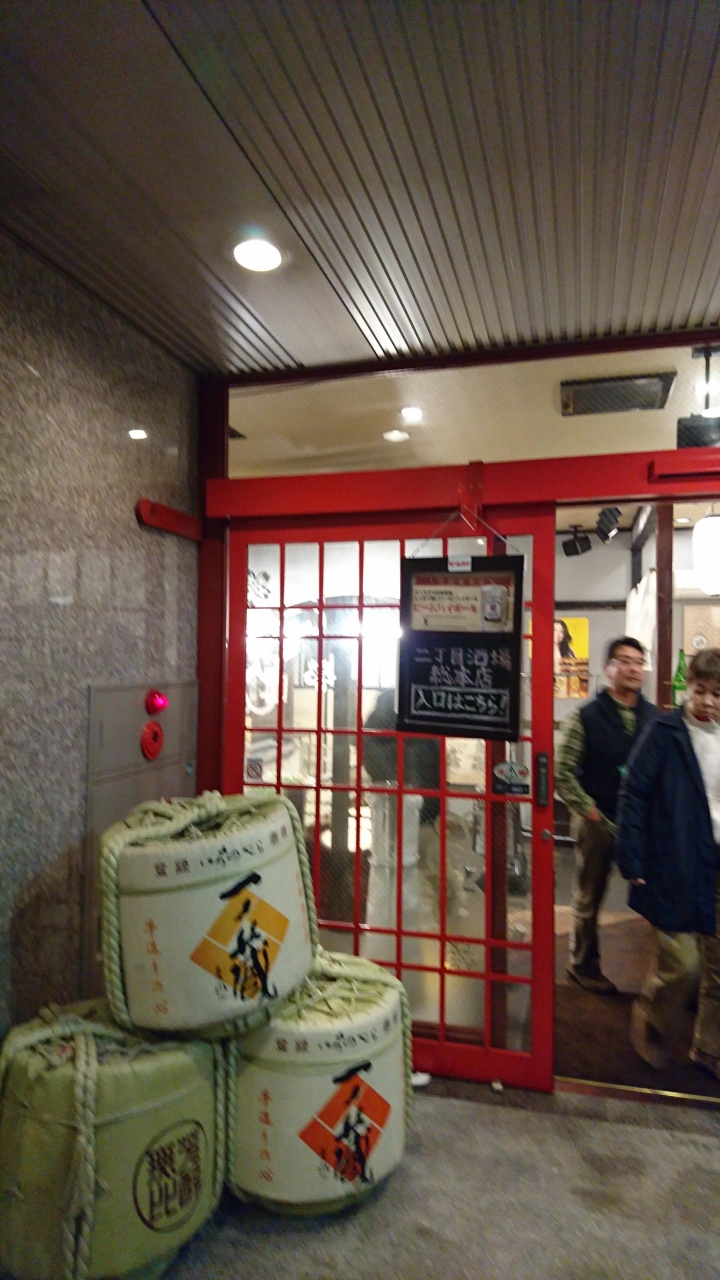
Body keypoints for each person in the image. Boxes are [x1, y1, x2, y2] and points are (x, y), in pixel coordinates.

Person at [617, 649, 720, 1072]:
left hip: (716, 862)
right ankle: (650, 1011)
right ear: (687, 687)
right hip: (674, 862)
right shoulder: (664, 731)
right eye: (700, 690)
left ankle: (709, 1048)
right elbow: (634, 794)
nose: (707, 701)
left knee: (718, 968)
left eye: (717, 694)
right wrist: (633, 858)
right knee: (684, 966)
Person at [556, 636, 656, 993]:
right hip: (597, 818)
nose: (633, 668)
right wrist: (590, 811)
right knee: (589, 895)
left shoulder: (655, 718)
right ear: (607, 669)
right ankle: (582, 964)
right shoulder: (586, 716)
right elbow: (563, 772)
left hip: (641, 823)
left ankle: (669, 972)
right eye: (623, 661)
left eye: (638, 662)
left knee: (659, 892)